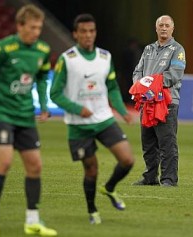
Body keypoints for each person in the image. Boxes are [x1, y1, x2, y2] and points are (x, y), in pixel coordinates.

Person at [0, 4, 57, 236]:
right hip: (2, 114)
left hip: (25, 115)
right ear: (19, 26)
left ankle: (32, 220)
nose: (36, 32)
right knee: (5, 161)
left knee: (35, 166)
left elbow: (41, 77)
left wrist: (42, 104)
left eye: (39, 27)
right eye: (32, 27)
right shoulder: (2, 48)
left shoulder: (41, 49)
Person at [50, 13, 135, 225]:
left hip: (104, 119)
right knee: (91, 169)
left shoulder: (105, 57)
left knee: (127, 160)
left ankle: (109, 188)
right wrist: (77, 108)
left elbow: (113, 86)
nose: (88, 35)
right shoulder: (67, 60)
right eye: (83, 32)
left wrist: (122, 109)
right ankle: (92, 210)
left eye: (91, 31)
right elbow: (55, 93)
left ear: (95, 33)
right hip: (79, 125)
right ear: (75, 34)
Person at [132, 15, 186, 187]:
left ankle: (169, 179)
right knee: (148, 143)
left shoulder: (178, 49)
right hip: (147, 102)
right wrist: (139, 86)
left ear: (172, 28)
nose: (163, 28)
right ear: (156, 28)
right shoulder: (148, 49)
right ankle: (150, 177)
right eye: (161, 25)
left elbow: (175, 74)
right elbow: (137, 71)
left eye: (167, 25)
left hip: (167, 102)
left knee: (167, 142)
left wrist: (151, 85)